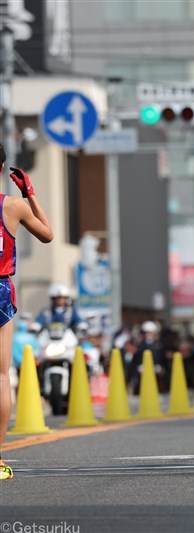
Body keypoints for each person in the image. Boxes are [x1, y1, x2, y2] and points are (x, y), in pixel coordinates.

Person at [0, 145, 54, 480]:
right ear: (3, 166)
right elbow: (48, 235)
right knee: (1, 377)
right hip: (1, 288)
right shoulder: (14, 206)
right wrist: (29, 193)